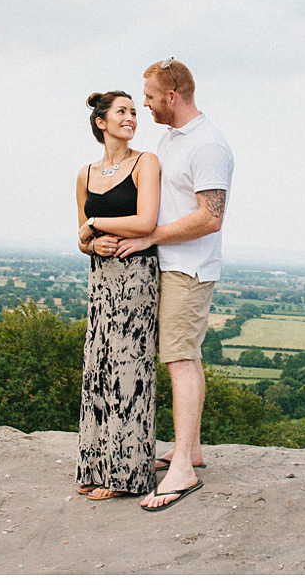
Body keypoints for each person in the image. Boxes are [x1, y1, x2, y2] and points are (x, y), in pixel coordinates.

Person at [114, 58, 233, 512]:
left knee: (179, 360)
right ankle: (192, 449)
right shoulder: (170, 140)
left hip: (189, 267)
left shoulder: (208, 145)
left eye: (148, 96)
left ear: (172, 95)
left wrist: (150, 236)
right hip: (167, 264)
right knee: (183, 357)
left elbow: (210, 217)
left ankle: (182, 467)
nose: (142, 104)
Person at [74, 90, 161, 501]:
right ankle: (95, 465)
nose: (131, 117)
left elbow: (146, 222)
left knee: (130, 373)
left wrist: (95, 223)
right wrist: (94, 243)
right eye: (121, 112)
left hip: (137, 278)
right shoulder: (85, 174)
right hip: (101, 277)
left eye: (132, 111)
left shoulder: (146, 163)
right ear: (101, 123)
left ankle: (126, 474)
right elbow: (81, 239)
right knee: (98, 368)